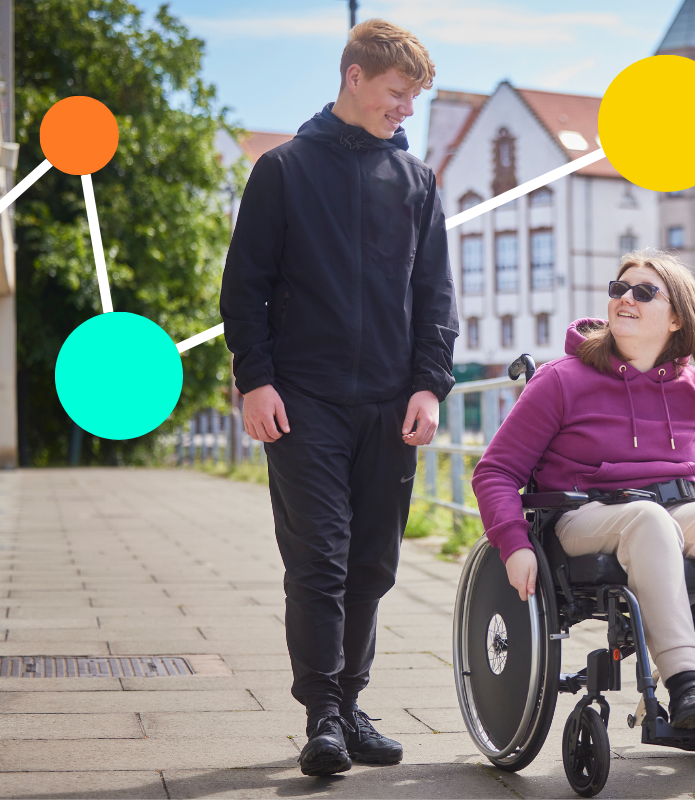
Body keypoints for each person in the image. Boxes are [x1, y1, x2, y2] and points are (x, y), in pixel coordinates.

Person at [219, 20, 457, 777]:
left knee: (373, 565)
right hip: (303, 402)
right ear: (355, 77)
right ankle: (322, 713)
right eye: (398, 92)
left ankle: (351, 704)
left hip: (389, 404)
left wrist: (429, 384)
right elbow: (244, 287)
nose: (406, 110)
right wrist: (255, 378)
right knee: (318, 559)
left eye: (414, 97)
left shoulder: (416, 185)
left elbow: (435, 297)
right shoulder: (282, 171)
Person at [471, 250, 695, 730]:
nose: (625, 299)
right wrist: (514, 544)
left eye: (644, 292)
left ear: (677, 317)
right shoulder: (560, 381)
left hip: (674, 512)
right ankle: (686, 685)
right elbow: (494, 471)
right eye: (619, 289)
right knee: (649, 520)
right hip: (582, 518)